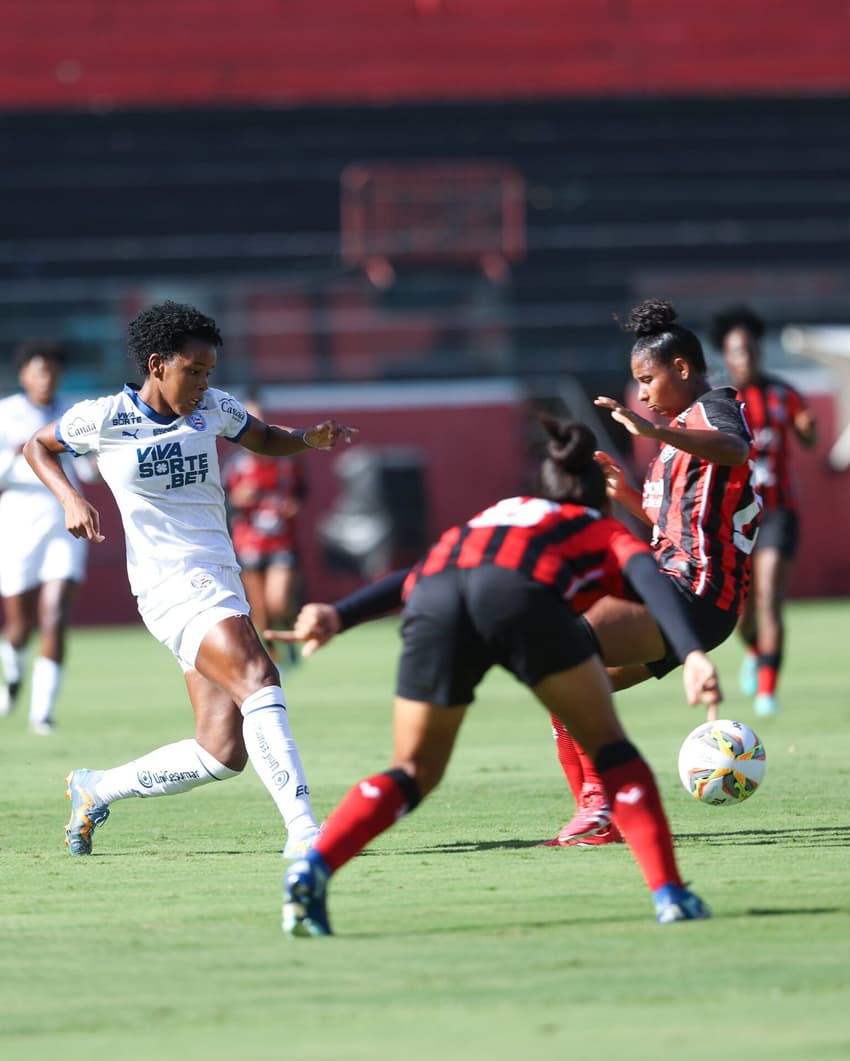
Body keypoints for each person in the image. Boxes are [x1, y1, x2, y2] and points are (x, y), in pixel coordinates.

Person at [275, 299, 762, 853]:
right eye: (637, 384)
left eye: (648, 380)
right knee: (569, 688)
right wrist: (624, 492)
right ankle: (596, 814)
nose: (642, 394)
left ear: (681, 369)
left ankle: (602, 810)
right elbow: (676, 522)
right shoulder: (678, 435)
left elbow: (734, 448)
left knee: (563, 650)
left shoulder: (713, 412)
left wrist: (657, 433)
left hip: (695, 592)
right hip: (681, 590)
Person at [276, 416, 721, 937]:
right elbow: (650, 577)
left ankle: (315, 866)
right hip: (520, 597)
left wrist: (340, 615)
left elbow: (416, 575)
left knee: (412, 771)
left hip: (437, 599)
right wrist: (691, 653)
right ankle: (671, 895)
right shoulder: (595, 525)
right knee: (611, 750)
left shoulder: (495, 516)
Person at [23, 300, 357, 860]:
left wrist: (306, 439)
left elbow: (263, 437)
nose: (204, 384)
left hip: (218, 576)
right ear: (157, 364)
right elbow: (37, 445)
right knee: (259, 676)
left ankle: (95, 788)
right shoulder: (104, 418)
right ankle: (305, 830)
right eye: (193, 372)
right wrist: (71, 497)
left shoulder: (213, 409)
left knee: (222, 752)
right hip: (170, 582)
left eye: (208, 373)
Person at [710, 305, 817, 717]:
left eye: (752, 350)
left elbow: (810, 437)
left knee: (770, 596)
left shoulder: (784, 394)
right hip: (734, 515)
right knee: (740, 609)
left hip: (777, 513)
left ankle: (767, 693)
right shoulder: (719, 400)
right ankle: (756, 650)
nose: (747, 357)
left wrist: (809, 429)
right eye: (738, 351)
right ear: (726, 355)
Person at [0, 341, 93, 734]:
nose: (46, 379)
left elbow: (90, 472)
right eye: (39, 371)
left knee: (54, 615)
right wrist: (19, 451)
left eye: (53, 372)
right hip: (19, 519)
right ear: (23, 375)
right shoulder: (6, 414)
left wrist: (96, 455)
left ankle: (42, 713)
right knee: (19, 625)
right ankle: (13, 676)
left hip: (64, 518)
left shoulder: (74, 414)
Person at [222, 399, 307, 654]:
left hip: (281, 539)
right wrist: (237, 501)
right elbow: (220, 502)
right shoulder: (234, 465)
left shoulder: (285, 460)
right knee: (259, 611)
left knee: (278, 602)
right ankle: (273, 656)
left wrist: (295, 505)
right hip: (248, 540)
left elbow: (301, 491)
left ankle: (289, 629)